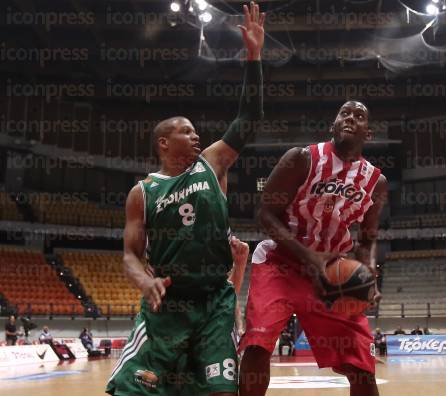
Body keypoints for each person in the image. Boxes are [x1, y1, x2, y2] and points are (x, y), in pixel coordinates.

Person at [105, 4, 264, 395]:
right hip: (168, 307)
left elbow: (249, 119)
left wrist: (254, 57)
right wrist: (145, 281)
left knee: (220, 391)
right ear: (164, 142)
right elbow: (129, 254)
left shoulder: (211, 163)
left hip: (214, 302)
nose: (196, 136)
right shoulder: (142, 192)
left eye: (196, 132)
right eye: (186, 131)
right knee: (132, 389)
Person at [239, 100, 388, 396]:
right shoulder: (302, 158)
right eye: (344, 113)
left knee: (361, 365)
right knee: (258, 343)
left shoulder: (375, 181)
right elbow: (265, 214)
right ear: (332, 125)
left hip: (331, 274)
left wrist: (368, 272)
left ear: (367, 133)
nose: (350, 119)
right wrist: (309, 257)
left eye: (359, 116)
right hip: (279, 263)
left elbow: (367, 239)